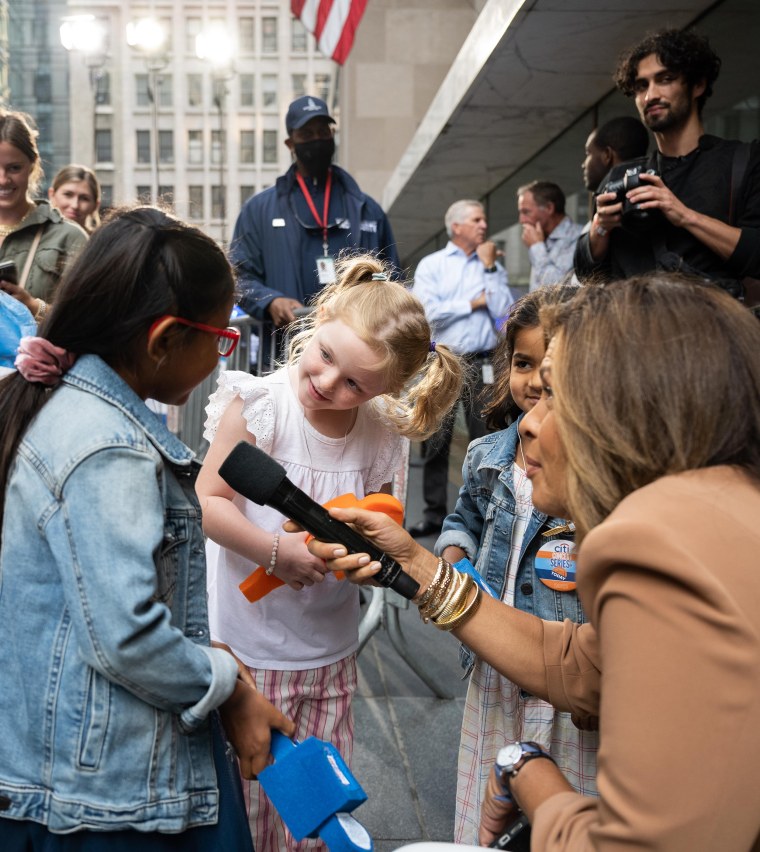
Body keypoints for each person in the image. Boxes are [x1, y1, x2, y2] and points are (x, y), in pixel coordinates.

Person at [305, 273, 760, 851]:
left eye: (557, 394)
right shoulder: (720, 515)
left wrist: (530, 777)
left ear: (631, 413)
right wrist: (416, 563)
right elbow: (580, 665)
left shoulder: (653, 546)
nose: (529, 422)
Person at [0, 205, 296, 850]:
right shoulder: (109, 448)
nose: (222, 356)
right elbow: (126, 634)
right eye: (219, 340)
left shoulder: (69, 409)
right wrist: (222, 681)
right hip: (107, 795)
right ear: (164, 339)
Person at [195, 254, 464, 852]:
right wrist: (275, 551)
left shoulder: (379, 432)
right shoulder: (260, 405)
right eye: (325, 356)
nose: (326, 383)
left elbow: (381, 525)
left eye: (355, 385)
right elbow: (209, 500)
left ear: (385, 390)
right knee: (251, 800)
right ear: (317, 323)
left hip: (329, 651)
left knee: (317, 809)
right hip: (248, 649)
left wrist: (358, 560)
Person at [435, 285, 598, 846]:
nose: (531, 386)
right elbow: (463, 521)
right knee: (489, 796)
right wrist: (452, 560)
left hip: (563, 685)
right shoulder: (488, 456)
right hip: (496, 664)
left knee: (562, 799)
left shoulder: (594, 475)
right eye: (523, 365)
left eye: (551, 378)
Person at [574, 27, 760, 302]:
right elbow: (586, 270)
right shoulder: (622, 176)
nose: (650, 95)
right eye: (641, 86)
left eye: (665, 79)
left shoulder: (741, 161)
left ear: (697, 85)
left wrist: (683, 215)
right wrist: (601, 225)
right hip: (632, 334)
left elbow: (756, 255)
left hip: (711, 334)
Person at [230, 95, 401, 368]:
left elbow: (390, 274)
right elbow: (239, 279)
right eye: (307, 134)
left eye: (324, 132)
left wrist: (368, 283)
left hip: (355, 355)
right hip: (285, 355)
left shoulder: (367, 209)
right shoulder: (259, 210)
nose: (317, 139)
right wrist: (271, 301)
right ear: (290, 144)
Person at [407, 199, 513, 539]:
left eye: (484, 219)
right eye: (477, 219)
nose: (484, 225)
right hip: (445, 361)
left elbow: (504, 315)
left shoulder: (491, 264)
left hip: (485, 361)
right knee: (436, 440)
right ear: (457, 226)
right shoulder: (433, 265)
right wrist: (472, 302)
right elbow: (428, 313)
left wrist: (492, 271)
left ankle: (487, 513)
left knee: (488, 438)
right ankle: (434, 513)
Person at [0, 111, 87, 324]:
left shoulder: (69, 237)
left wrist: (33, 307)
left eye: (14, 168)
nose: (3, 179)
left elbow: (92, 320)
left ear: (32, 165)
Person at [516, 181, 583, 290]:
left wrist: (536, 248)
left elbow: (557, 289)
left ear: (549, 208)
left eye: (526, 212)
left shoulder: (579, 238)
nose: (521, 220)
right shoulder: (541, 238)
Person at [581, 115, 650, 193]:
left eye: (588, 153)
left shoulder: (610, 198)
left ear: (607, 155)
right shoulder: (654, 190)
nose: (583, 165)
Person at [48, 163, 102, 233]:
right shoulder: (35, 236)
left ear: (95, 205)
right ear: (52, 195)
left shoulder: (102, 242)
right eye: (68, 195)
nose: (75, 205)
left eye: (84, 198)